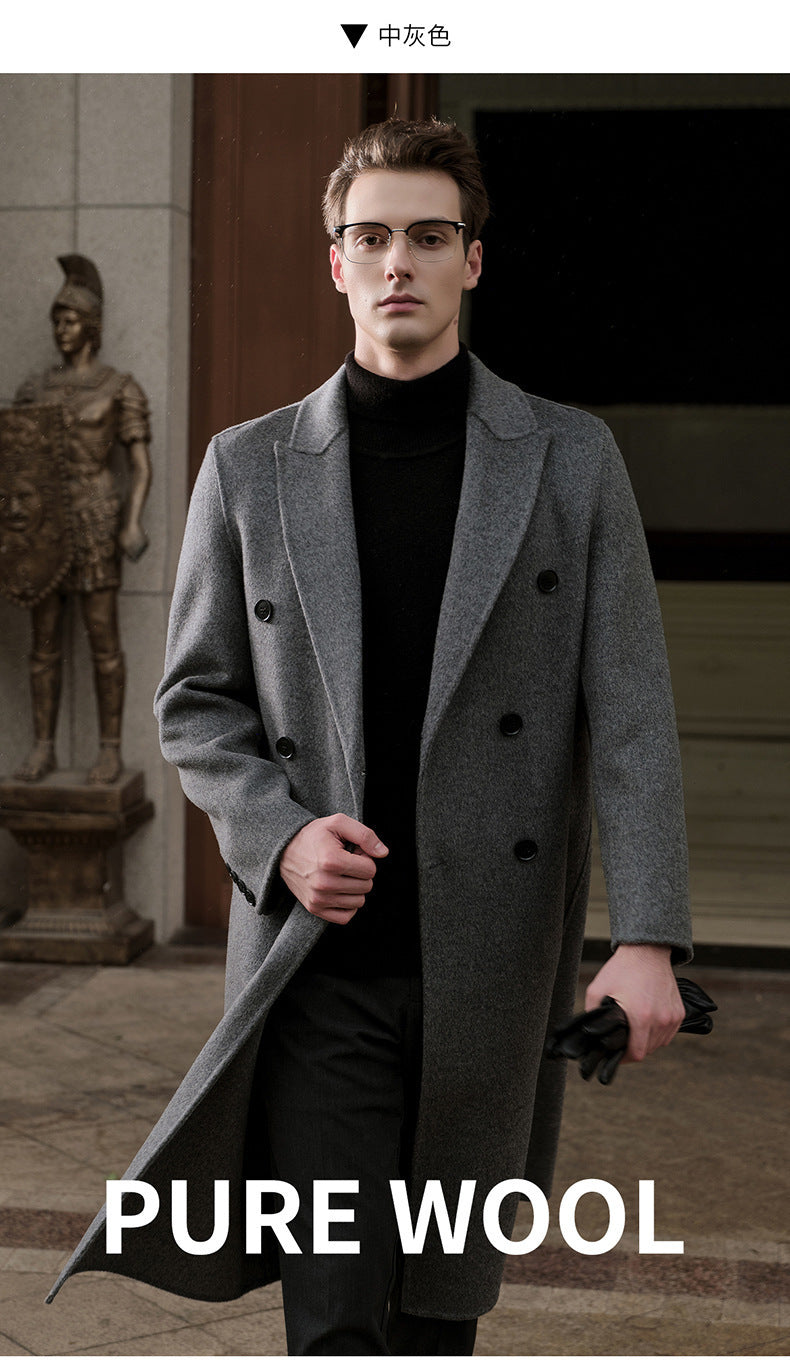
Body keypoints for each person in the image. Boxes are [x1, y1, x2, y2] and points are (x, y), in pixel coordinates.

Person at [46, 118, 692, 1354]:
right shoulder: (248, 466)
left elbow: (629, 711)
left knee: (437, 1317)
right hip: (317, 968)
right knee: (336, 1317)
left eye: (429, 236)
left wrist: (647, 934)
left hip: (489, 966)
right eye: (373, 236)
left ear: (472, 261)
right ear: (335, 261)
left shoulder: (569, 459)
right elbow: (195, 700)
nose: (400, 261)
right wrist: (280, 835)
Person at [13, 255, 151, 785]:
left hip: (95, 516)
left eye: (70, 321)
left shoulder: (118, 388)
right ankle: (43, 746)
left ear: (90, 326)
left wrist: (132, 522)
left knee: (102, 637)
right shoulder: (34, 390)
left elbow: (140, 466)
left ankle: (109, 748)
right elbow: (17, 463)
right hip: (43, 521)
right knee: (44, 639)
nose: (61, 330)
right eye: (56, 321)